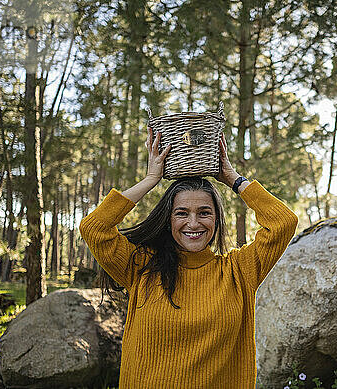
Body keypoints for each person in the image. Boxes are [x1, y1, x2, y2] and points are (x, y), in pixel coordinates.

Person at [79, 127, 298, 389]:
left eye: (204, 212)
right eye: (181, 213)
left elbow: (284, 222)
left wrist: (232, 178)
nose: (193, 223)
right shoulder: (142, 266)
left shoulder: (239, 271)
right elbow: (95, 228)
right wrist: (150, 179)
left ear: (217, 219)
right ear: (168, 219)